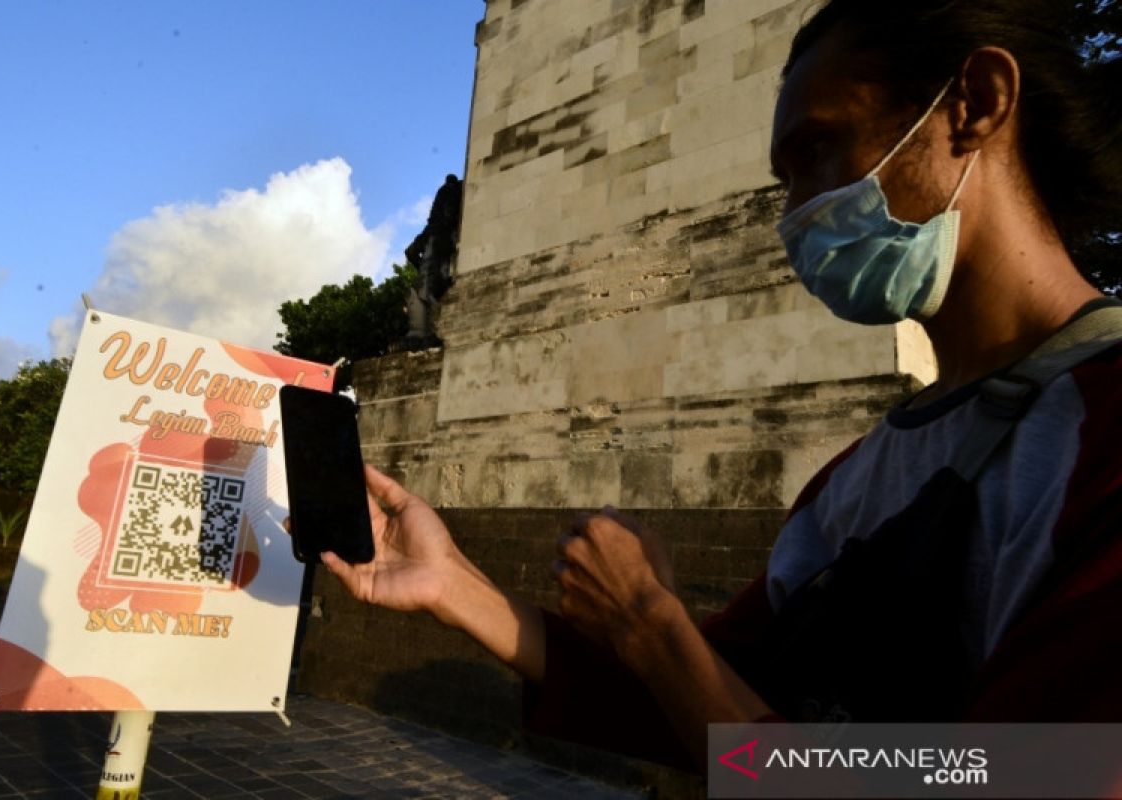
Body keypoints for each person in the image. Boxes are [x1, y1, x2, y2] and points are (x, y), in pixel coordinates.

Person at [316, 0, 1122, 772]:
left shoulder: (1104, 433)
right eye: (783, 182)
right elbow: (711, 715)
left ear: (974, 103)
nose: (796, 215)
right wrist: (456, 585)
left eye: (818, 151)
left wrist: (654, 626)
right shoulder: (861, 473)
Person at [403, 174, 463, 349]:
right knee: (429, 293)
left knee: (428, 292)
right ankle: (426, 333)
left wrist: (420, 267)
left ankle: (425, 333)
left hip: (433, 266)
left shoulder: (430, 230)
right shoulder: (438, 229)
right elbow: (411, 252)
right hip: (435, 265)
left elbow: (410, 253)